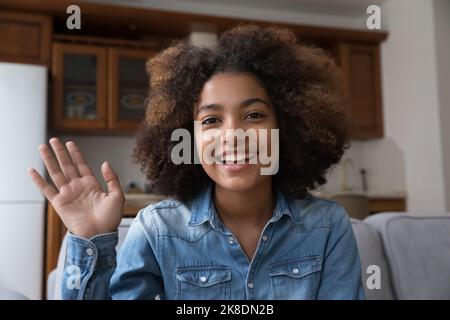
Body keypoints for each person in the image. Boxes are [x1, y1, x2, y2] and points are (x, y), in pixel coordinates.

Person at [28, 24, 365, 300]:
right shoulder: (158, 229)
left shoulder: (327, 226)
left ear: (287, 126)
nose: (233, 135)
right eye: (210, 121)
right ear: (187, 136)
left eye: (254, 114)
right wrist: (89, 238)